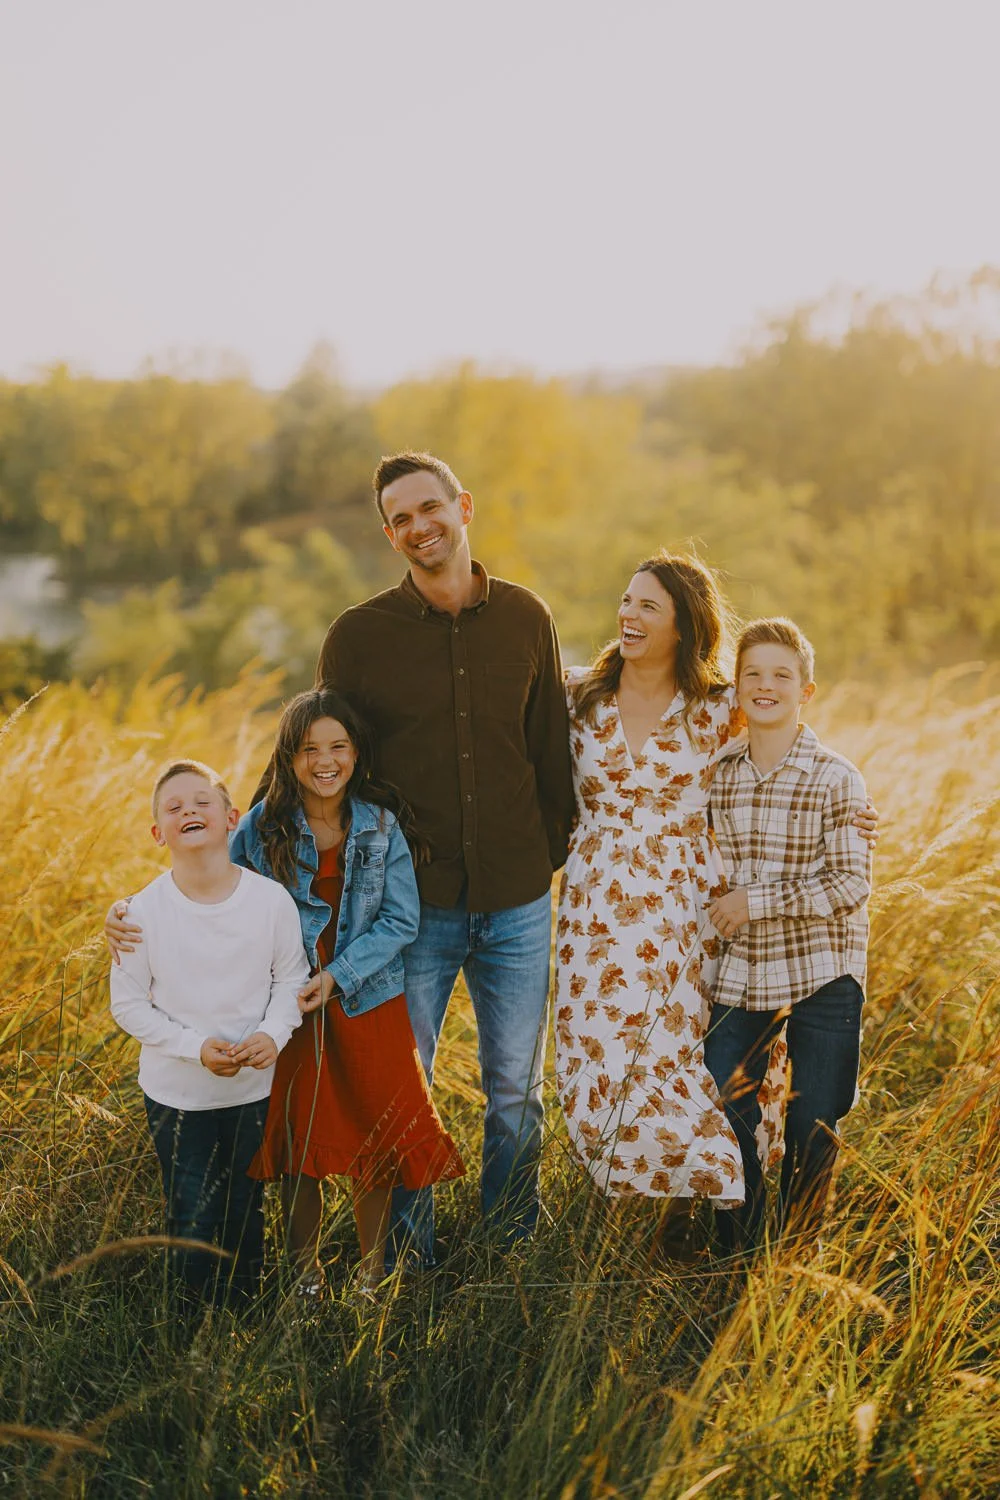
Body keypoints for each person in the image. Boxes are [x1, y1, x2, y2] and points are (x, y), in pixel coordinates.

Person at [554, 555, 875, 1248]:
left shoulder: (713, 708)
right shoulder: (574, 695)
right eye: (626, 601)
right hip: (594, 909)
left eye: (648, 607)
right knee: (597, 1063)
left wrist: (848, 808)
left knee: (686, 1066)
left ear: (683, 625)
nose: (629, 616)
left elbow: (781, 725)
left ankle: (721, 1221)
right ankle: (630, 1207)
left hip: (684, 912)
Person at [317, 452, 575, 1262]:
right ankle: (405, 1257)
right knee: (405, 1088)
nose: (420, 526)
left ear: (463, 506)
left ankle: (511, 1240)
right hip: (411, 910)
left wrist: (541, 855)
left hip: (518, 899)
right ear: (390, 535)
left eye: (431, 507)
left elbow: (549, 751)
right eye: (401, 518)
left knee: (516, 1094)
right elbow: (327, 764)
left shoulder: (527, 618)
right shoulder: (358, 638)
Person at [233, 688, 464, 1296]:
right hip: (291, 1008)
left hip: (366, 1000)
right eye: (309, 750)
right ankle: (304, 1274)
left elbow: (400, 920)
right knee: (300, 1136)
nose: (324, 761)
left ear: (357, 754)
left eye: (337, 747)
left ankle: (371, 1273)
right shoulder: (262, 828)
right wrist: (132, 912)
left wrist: (336, 975)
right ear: (289, 758)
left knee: (377, 1132)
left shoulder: (378, 826)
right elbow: (218, 889)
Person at [109, 760, 309, 1306]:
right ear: (158, 834)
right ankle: (190, 1326)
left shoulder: (270, 901)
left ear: (231, 818)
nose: (189, 812)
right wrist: (195, 1049)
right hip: (178, 1096)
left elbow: (291, 979)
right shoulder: (140, 914)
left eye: (202, 802)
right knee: (191, 1213)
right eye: (173, 808)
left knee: (245, 1208)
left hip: (251, 1090)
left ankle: (244, 1317)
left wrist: (273, 1034)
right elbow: (127, 1005)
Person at [704, 617, 871, 1255]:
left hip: (823, 971)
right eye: (752, 674)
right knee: (725, 1105)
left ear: (807, 690)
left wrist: (757, 901)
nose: (764, 685)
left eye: (781, 675)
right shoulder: (717, 775)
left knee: (813, 1122)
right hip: (741, 975)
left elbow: (851, 883)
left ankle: (798, 1254)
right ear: (737, 688)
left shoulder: (838, 778)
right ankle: (739, 1251)